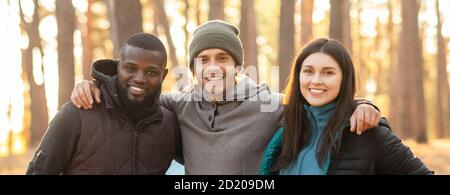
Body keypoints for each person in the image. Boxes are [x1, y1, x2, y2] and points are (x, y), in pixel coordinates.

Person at [71, 20, 381, 175]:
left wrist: (363, 105)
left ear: (237, 65)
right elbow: (132, 98)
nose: (213, 68)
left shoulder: (269, 104)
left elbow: (319, 106)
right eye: (203, 60)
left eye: (223, 58)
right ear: (193, 67)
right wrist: (95, 85)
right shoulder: (178, 104)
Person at [259, 38, 433, 175]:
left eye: (328, 72)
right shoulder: (285, 131)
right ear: (298, 76)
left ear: (344, 79)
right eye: (308, 71)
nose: (316, 80)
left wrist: (363, 104)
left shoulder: (367, 132)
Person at [26, 33, 181, 175]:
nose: (139, 78)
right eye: (130, 68)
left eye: (151, 72)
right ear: (118, 66)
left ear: (163, 75)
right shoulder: (76, 114)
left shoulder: (170, 124)